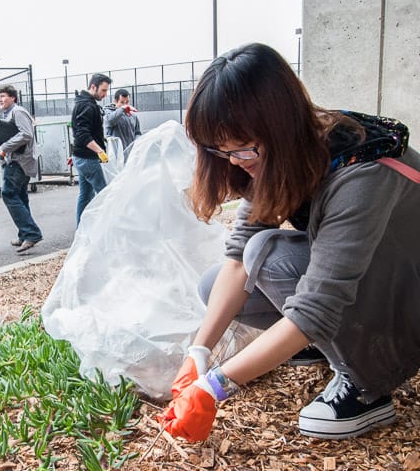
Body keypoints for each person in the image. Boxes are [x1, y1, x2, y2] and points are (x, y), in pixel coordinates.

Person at [161, 43, 420, 442]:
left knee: (267, 255)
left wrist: (215, 388)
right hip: (370, 281)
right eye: (221, 150)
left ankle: (370, 384)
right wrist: (199, 353)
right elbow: (236, 261)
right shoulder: (281, 154)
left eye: (243, 147)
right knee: (217, 283)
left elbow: (317, 304)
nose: (234, 161)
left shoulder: (361, 169)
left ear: (277, 126)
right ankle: (323, 345)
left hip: (406, 295)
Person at [0, 84, 43, 253]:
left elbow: (26, 134)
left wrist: (4, 147)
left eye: (3, 96)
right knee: (20, 196)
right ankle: (24, 234)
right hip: (16, 160)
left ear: (13, 97)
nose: (0, 100)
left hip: (19, 161)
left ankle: (31, 233)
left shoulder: (17, 111)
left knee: (8, 193)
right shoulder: (10, 113)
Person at [71, 73, 112, 225]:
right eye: (103, 90)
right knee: (105, 194)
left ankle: (81, 230)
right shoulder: (87, 105)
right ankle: (106, 231)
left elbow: (79, 132)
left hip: (82, 157)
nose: (105, 94)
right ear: (93, 87)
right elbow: (82, 134)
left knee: (85, 195)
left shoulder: (84, 103)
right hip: (88, 159)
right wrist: (99, 151)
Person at [103, 88, 141, 159]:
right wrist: (122, 109)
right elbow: (109, 121)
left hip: (131, 154)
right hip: (115, 155)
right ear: (115, 101)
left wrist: (136, 143)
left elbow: (137, 132)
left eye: (127, 102)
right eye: (122, 102)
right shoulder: (108, 112)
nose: (125, 105)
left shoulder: (133, 116)